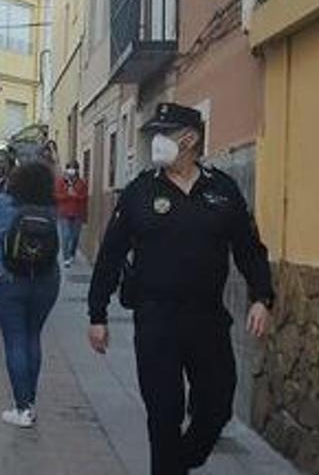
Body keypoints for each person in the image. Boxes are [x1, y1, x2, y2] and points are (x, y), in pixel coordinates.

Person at [85, 103, 275, 475]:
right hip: (156, 319)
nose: (156, 142)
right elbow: (110, 255)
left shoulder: (222, 190)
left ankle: (179, 463)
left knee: (218, 404)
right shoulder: (140, 191)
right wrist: (97, 314)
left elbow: (250, 249)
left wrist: (262, 297)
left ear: (189, 138)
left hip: (207, 318)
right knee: (164, 413)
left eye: (164, 133)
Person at [0, 161, 61, 429]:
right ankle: (30, 403)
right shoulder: (51, 208)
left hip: (8, 279)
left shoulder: (4, 203)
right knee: (33, 336)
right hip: (46, 280)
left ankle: (21, 407)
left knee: (15, 340)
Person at [54, 160, 89, 268]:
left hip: (77, 213)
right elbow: (56, 196)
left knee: (75, 237)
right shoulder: (60, 182)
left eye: (74, 168)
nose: (71, 170)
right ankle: (66, 258)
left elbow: (84, 197)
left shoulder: (81, 183)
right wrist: (67, 195)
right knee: (66, 235)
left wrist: (75, 195)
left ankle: (72, 253)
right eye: (70, 168)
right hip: (64, 213)